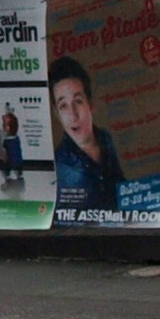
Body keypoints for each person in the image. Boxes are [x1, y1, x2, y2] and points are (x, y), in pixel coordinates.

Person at [48, 56, 120, 208]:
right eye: (63, 106)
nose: (73, 115)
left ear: (90, 104)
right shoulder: (60, 167)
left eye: (78, 101)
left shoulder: (106, 140)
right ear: (57, 114)